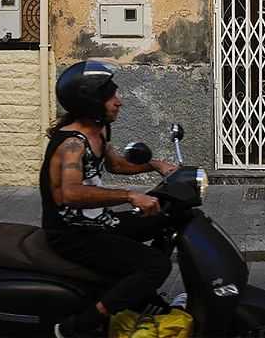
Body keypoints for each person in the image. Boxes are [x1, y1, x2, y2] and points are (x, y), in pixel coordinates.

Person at [40, 59, 177, 338]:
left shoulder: (99, 130)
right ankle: (76, 326)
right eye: (110, 96)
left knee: (163, 218)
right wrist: (129, 195)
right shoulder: (72, 143)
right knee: (156, 264)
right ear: (90, 101)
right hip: (71, 234)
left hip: (96, 222)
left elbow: (116, 165)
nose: (119, 101)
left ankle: (135, 293)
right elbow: (71, 193)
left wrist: (156, 165)